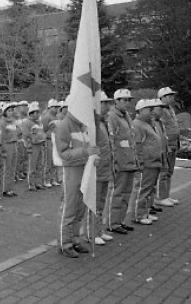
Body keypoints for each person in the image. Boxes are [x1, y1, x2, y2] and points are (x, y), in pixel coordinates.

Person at [55, 106, 98, 258]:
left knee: (80, 208)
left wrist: (93, 157)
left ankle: (75, 240)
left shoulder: (83, 126)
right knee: (70, 208)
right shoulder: (63, 126)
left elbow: (88, 148)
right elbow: (64, 154)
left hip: (84, 169)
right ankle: (64, 243)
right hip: (71, 171)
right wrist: (85, 152)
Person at [107, 89, 139, 235]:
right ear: (116, 101)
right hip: (120, 162)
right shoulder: (112, 117)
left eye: (128, 100)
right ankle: (112, 223)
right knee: (118, 193)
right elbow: (112, 141)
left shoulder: (126, 116)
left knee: (126, 193)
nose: (127, 103)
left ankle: (120, 221)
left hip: (129, 161)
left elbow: (130, 140)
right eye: (124, 100)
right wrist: (114, 161)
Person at [129, 99, 163, 225]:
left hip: (153, 162)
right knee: (142, 190)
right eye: (149, 110)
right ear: (141, 110)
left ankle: (145, 212)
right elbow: (137, 145)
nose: (152, 112)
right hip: (147, 163)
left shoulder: (148, 123)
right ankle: (138, 215)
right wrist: (140, 163)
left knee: (149, 190)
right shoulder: (137, 125)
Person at [92, 92, 115, 245]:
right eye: (104, 103)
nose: (107, 106)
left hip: (105, 167)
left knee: (101, 201)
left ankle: (100, 230)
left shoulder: (103, 123)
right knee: (94, 202)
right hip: (97, 168)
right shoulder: (93, 123)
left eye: (108, 103)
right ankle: (92, 232)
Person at [156, 87, 180, 206]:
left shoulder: (170, 108)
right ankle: (161, 197)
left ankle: (166, 195)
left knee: (169, 171)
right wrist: (165, 145)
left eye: (172, 95)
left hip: (174, 143)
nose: (172, 98)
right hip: (167, 145)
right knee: (164, 172)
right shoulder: (159, 109)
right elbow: (161, 129)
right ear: (163, 97)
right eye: (169, 96)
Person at [20, 102, 47, 191]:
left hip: (40, 145)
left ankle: (38, 183)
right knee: (32, 166)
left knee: (40, 165)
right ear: (32, 113)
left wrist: (43, 140)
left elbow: (42, 133)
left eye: (38, 112)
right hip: (33, 146)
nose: (38, 114)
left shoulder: (39, 122)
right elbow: (25, 136)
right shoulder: (27, 123)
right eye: (36, 112)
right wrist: (28, 146)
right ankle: (31, 184)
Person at [0, 103, 18, 197]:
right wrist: (3, 150)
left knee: (13, 168)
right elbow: (1, 137)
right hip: (7, 145)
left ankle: (10, 189)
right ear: (5, 112)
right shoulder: (2, 122)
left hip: (14, 144)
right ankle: (5, 190)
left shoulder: (13, 121)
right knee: (7, 168)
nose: (11, 112)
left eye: (12, 110)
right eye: (9, 111)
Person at [41, 99, 61, 187]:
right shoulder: (46, 117)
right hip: (49, 140)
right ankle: (46, 180)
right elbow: (44, 129)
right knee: (48, 161)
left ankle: (53, 179)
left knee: (54, 160)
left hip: (55, 140)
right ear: (49, 108)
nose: (56, 109)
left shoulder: (56, 117)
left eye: (57, 107)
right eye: (54, 107)